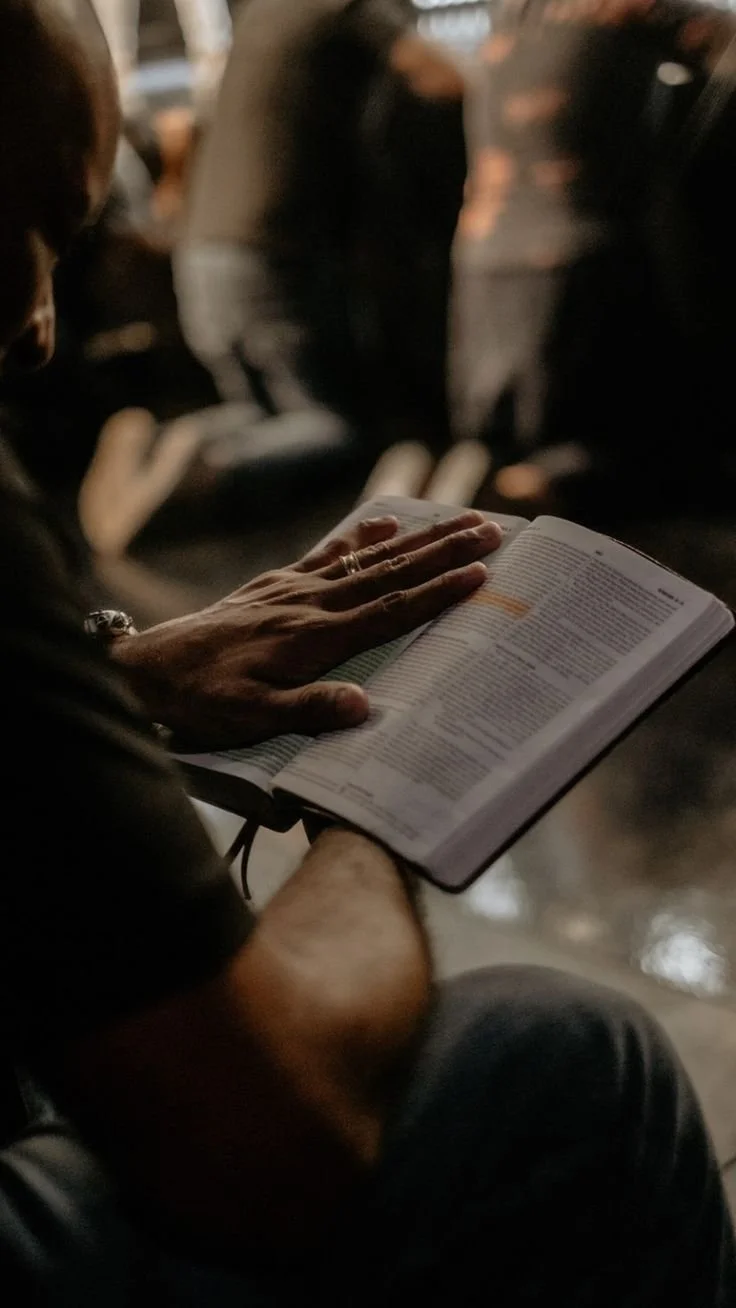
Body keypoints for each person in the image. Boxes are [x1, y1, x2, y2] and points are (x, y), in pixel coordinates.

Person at [0, 5, 735, 1305]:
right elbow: (271, 1143)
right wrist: (384, 803)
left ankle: (379, 450)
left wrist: (117, 671)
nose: (42, 322)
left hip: (431, 270)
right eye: (22, 224)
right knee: (570, 1051)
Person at [447, 0, 736, 517]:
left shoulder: (512, 11)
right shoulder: (631, 7)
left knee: (507, 437)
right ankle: (512, 496)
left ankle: (478, 490)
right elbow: (721, 43)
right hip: (572, 257)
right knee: (625, 451)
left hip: (482, 256)